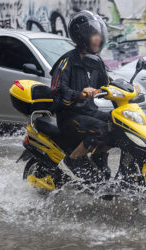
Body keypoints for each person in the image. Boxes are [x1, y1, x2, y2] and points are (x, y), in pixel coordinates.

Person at [50, 10, 111, 182]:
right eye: (93, 34)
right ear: (81, 35)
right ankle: (71, 161)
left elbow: (107, 84)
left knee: (117, 123)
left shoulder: (96, 62)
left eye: (99, 34)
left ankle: (99, 160)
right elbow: (57, 91)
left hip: (88, 113)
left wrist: (128, 88)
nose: (98, 38)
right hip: (70, 116)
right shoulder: (67, 61)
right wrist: (81, 95)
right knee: (102, 129)